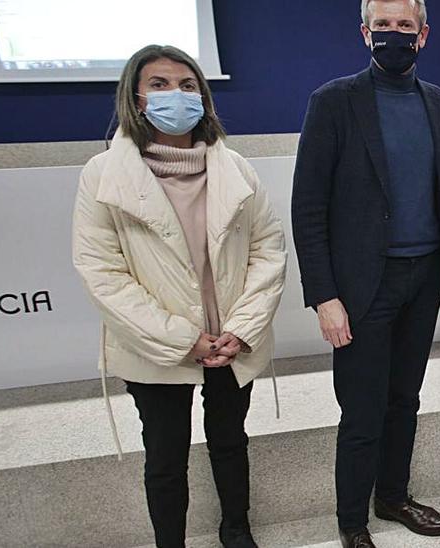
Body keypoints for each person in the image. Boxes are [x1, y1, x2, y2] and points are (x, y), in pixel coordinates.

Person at [72, 45, 287, 548]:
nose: (177, 95)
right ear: (136, 97)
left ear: (204, 98)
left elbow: (268, 249)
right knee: (165, 456)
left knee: (230, 442)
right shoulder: (102, 174)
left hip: (233, 339)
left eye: (188, 86)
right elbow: (101, 272)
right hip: (157, 345)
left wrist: (242, 328)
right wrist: (182, 338)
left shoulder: (236, 167)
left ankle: (237, 528)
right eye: (160, 84)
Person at [291, 1, 440, 546]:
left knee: (405, 399)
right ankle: (352, 523)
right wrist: (324, 296)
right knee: (363, 410)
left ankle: (393, 496)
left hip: (424, 278)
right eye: (384, 26)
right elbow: (309, 207)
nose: (395, 34)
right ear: (366, 33)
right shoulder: (333, 102)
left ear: (424, 35)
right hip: (363, 286)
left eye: (406, 26)